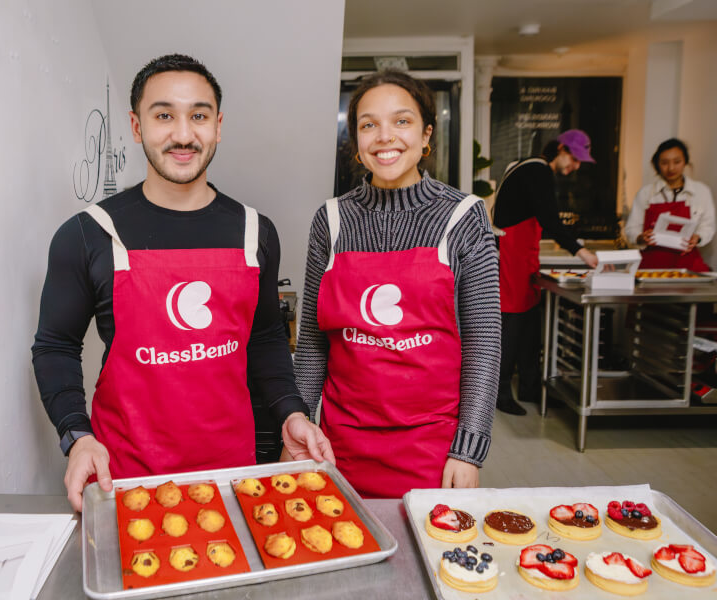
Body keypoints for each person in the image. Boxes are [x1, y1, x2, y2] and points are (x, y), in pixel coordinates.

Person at [32, 54, 333, 512]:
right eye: (164, 115)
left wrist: (290, 410)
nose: (183, 134)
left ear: (218, 125)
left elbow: (266, 338)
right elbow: (55, 345)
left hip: (233, 474)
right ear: (136, 126)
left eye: (198, 115)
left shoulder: (256, 232)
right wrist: (77, 435)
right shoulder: (89, 234)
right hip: (124, 477)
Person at [293, 70, 501, 499]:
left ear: (426, 135)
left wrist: (468, 451)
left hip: (433, 448)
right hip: (340, 444)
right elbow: (313, 340)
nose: (384, 137)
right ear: (356, 143)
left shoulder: (463, 217)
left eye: (401, 121)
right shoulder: (331, 221)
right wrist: (299, 426)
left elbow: (484, 341)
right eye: (369, 125)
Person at [493, 130, 599, 416]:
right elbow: (550, 221)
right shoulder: (538, 171)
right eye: (574, 158)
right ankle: (500, 393)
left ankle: (528, 387)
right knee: (512, 326)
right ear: (561, 148)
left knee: (529, 325)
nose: (575, 166)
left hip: (524, 257)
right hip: (511, 258)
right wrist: (581, 251)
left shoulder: (532, 168)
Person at [625, 138, 714, 271]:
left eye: (677, 162)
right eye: (664, 163)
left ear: (685, 162)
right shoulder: (646, 193)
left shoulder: (701, 191)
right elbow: (631, 229)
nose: (671, 168)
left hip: (688, 264)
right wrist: (641, 237)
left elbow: (708, 226)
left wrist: (698, 238)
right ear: (657, 164)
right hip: (651, 266)